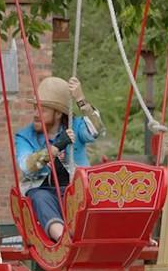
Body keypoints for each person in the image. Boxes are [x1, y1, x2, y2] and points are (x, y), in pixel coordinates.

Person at [15, 77, 105, 241]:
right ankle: (65, 239)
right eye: (35, 108)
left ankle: (109, 234)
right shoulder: (25, 136)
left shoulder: (76, 127)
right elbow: (26, 166)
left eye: (42, 110)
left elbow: (97, 130)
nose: (35, 114)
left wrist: (80, 99)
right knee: (39, 197)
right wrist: (56, 147)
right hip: (44, 192)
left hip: (75, 189)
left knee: (98, 193)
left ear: (58, 114)